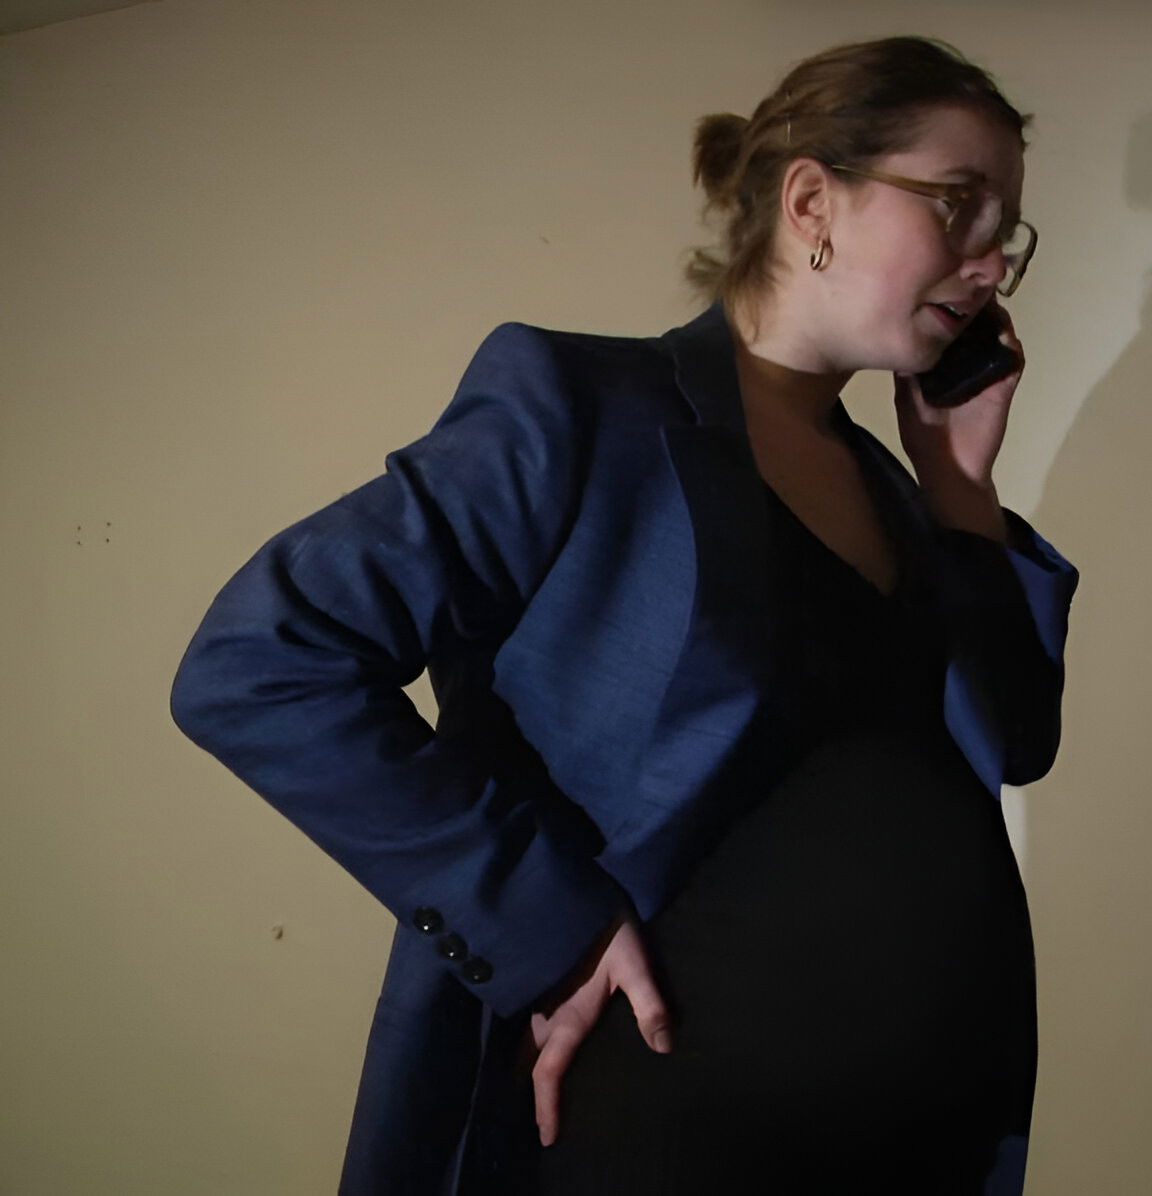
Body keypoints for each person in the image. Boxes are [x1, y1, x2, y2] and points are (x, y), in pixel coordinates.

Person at [169, 35, 1075, 1195]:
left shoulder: (901, 495)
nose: (989, 264)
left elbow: (1014, 740)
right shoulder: (583, 408)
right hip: (655, 1128)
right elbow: (261, 659)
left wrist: (959, 490)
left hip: (913, 1144)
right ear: (812, 201)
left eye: (1008, 234)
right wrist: (546, 926)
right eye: (957, 205)